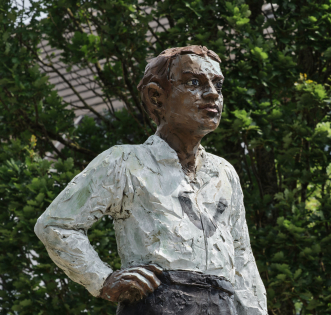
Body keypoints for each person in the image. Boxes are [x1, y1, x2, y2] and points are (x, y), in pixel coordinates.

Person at [34, 46, 267, 315]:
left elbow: (242, 259)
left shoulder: (225, 173)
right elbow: (56, 225)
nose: (213, 94)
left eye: (218, 85)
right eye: (194, 82)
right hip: (157, 304)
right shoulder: (124, 161)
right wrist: (103, 280)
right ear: (157, 97)